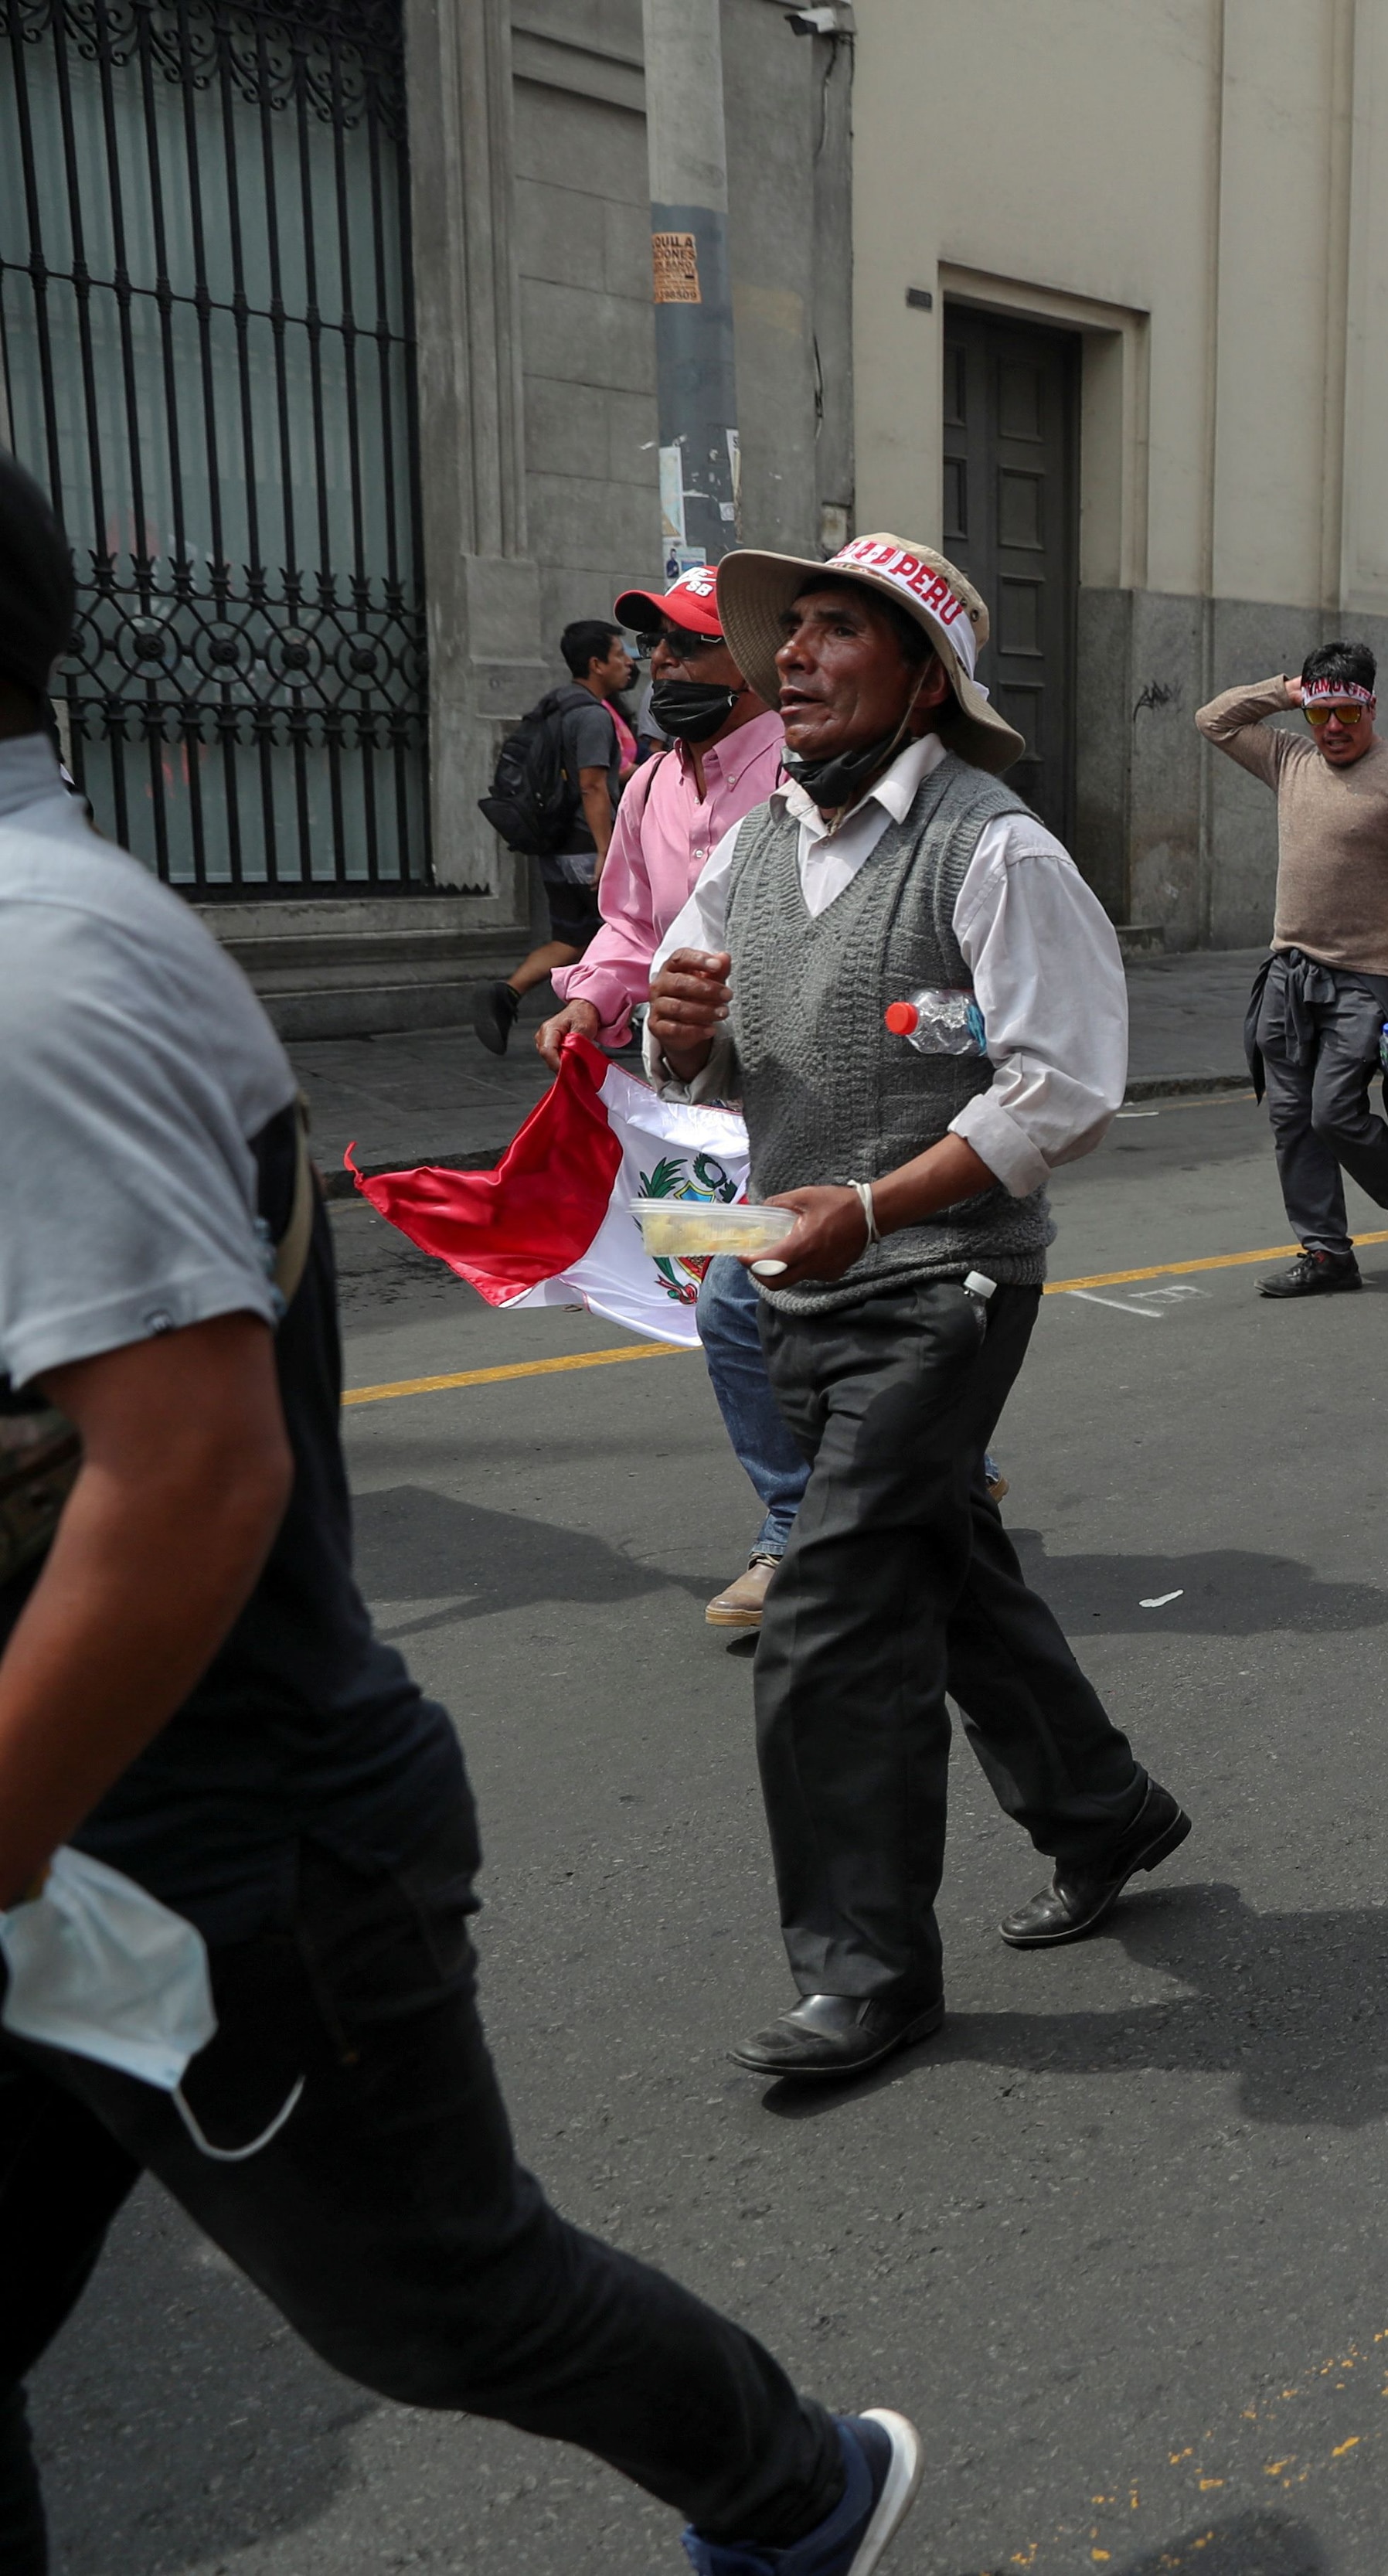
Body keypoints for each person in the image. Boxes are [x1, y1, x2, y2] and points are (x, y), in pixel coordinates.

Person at [0, 464, 925, 2576]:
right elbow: (636, 930)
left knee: (446, 2300)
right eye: (704, 640)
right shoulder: (666, 796)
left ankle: (792, 2483)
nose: (727, 665)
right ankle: (851, 1542)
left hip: (862, 1186)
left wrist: (782, 1057)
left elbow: (191, 1473)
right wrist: (614, 995)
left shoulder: (852, 807)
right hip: (697, 1132)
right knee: (751, 1371)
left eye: (763, 638)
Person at [647, 534, 1193, 2082]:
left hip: (943, 1285)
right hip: (791, 1267)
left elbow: (1067, 1089)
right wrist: (674, 1035)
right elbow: (688, 1059)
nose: (792, 658)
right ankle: (1105, 1809)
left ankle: (868, 1970)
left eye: (837, 632)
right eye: (790, 633)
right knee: (946, 1571)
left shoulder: (996, 850)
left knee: (830, 1622)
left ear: (921, 677)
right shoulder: (748, 849)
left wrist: (878, 1207)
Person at [521, 567, 818, 1629]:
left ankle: (795, 1532)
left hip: (803, 1093)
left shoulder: (806, 768)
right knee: (752, 1302)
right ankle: (933, 1465)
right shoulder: (649, 783)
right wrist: (590, 1005)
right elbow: (631, 931)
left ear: (749, 662)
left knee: (746, 1307)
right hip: (689, 1107)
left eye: (688, 648)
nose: (663, 667)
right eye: (654, 649)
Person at [1196, 642, 1388, 1298]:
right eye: (1320, 713)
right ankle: (1327, 1254)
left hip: (1366, 977)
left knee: (1336, 1111)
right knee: (1293, 1118)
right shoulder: (1289, 757)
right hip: (1289, 973)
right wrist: (1286, 689)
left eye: (1346, 715)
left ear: (1371, 709)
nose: (1332, 728)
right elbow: (1213, 720)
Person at [470, 618, 636, 1054]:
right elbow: (592, 785)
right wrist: (606, 851)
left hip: (556, 845)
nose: (628, 663)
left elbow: (593, 775)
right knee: (623, 933)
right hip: (588, 846)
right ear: (597, 664)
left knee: (571, 938)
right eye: (620, 655)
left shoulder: (554, 708)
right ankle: (613, 1025)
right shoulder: (593, 715)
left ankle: (506, 994)